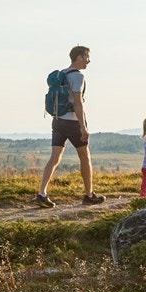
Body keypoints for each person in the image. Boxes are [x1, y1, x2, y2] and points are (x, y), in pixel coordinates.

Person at [36, 45, 104, 207]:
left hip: (58, 121)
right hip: (72, 122)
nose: (89, 60)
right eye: (87, 57)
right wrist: (83, 127)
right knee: (85, 157)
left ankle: (42, 193)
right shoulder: (77, 77)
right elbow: (78, 103)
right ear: (79, 57)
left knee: (54, 158)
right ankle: (89, 195)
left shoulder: (62, 74)